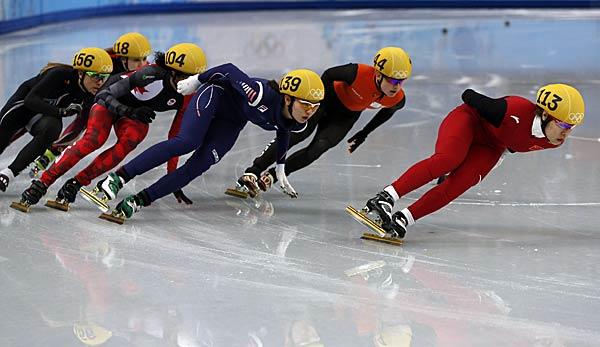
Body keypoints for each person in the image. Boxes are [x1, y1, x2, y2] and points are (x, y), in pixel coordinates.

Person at [94, 63, 324, 221]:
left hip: (233, 119)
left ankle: (140, 200)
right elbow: (228, 69)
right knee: (187, 142)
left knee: (202, 162)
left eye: (315, 106)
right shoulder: (258, 94)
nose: (310, 111)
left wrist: (281, 168)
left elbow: (283, 130)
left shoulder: (298, 121)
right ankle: (117, 178)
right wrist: (197, 80)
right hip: (214, 95)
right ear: (287, 98)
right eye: (305, 104)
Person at [358, 84, 585, 239]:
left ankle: (403, 219)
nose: (566, 133)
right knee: (448, 160)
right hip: (469, 121)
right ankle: (385, 198)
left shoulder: (553, 140)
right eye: (563, 125)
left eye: (571, 127)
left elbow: (514, 145)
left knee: (462, 182)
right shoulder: (512, 110)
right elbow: (468, 95)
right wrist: (458, 160)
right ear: (545, 114)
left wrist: (479, 168)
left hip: (492, 146)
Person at [16, 43, 207, 210]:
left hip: (134, 113)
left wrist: (172, 176)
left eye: (195, 78)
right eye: (186, 78)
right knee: (93, 140)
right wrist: (129, 111)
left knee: (129, 142)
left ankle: (76, 183)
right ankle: (42, 182)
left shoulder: (188, 95)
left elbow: (176, 141)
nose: (189, 84)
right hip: (109, 103)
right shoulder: (150, 74)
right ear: (172, 72)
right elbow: (103, 96)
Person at [237, 47, 412, 197]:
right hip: (325, 102)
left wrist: (364, 133)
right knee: (296, 135)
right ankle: (253, 170)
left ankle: (272, 176)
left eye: (401, 81)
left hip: (345, 118)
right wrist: (317, 103)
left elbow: (387, 113)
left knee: (317, 149)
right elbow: (328, 74)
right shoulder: (357, 73)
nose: (396, 86)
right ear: (378, 74)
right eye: (393, 80)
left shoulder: (397, 99)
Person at [29, 32, 153, 178]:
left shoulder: (144, 68)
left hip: (119, 98)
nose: (142, 64)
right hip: (98, 95)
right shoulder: (106, 62)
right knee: (82, 123)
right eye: (136, 60)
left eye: (144, 59)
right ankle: (51, 153)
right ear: (122, 58)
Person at [0, 47, 112, 192]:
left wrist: (53, 151)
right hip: (21, 108)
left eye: (104, 77)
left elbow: (79, 128)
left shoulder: (90, 95)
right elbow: (30, 100)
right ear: (80, 72)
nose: (100, 82)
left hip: (42, 118)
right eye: (95, 76)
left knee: (52, 129)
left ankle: (8, 174)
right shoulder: (59, 75)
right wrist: (61, 111)